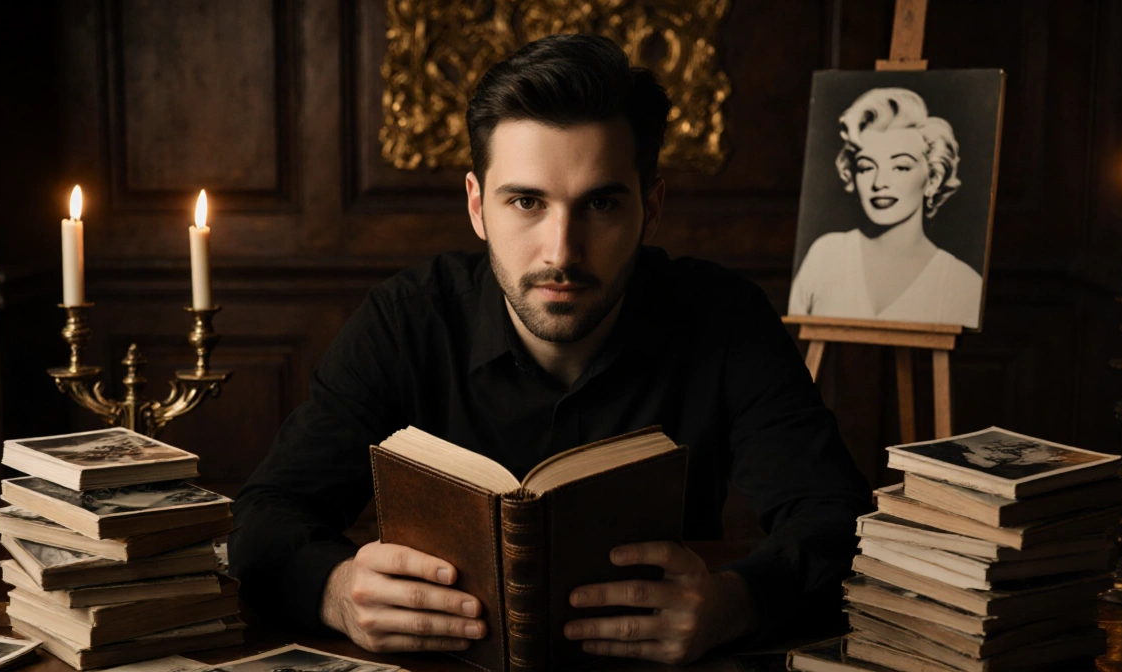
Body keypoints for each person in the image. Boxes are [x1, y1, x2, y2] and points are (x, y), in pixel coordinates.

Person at [229, 34, 870, 665]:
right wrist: (336, 593)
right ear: (479, 206)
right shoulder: (406, 321)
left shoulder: (723, 318)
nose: (561, 252)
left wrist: (734, 604)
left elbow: (838, 523)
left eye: (601, 204)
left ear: (650, 209)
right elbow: (262, 520)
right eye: (527, 202)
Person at [788, 87, 983, 328]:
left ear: (932, 178)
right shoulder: (825, 256)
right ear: (852, 174)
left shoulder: (962, 284)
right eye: (867, 167)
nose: (879, 183)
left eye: (901, 167)